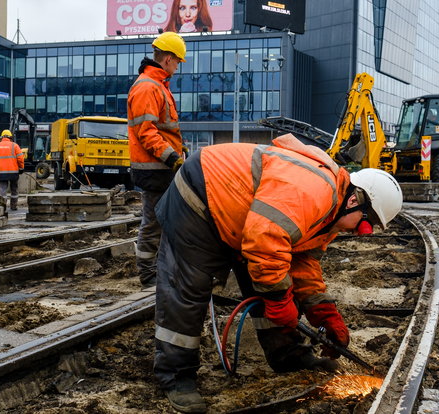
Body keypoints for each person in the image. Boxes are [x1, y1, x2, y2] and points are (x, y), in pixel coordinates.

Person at [152, 134, 403, 413]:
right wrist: (279, 300)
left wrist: (322, 310)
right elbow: (265, 239)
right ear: (355, 202)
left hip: (245, 218)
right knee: (189, 288)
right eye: (364, 226)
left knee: (273, 282)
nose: (358, 232)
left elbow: (301, 261)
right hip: (200, 195)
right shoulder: (312, 191)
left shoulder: (331, 214)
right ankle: (176, 376)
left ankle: (289, 355)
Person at [127, 31, 187, 287]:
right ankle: (148, 274)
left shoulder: (157, 85)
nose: (178, 67)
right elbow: (146, 133)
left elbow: (164, 130)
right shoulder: (147, 87)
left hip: (161, 168)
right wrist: (172, 157)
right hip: (154, 169)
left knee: (164, 220)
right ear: (168, 59)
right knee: (153, 222)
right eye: (177, 62)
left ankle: (160, 269)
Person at [0, 129, 25, 211]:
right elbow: (20, 159)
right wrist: (21, 168)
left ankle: (3, 207)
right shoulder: (15, 146)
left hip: (1, 172)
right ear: (10, 137)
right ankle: (13, 206)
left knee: (2, 190)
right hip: (13, 172)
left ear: (2, 137)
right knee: (14, 189)